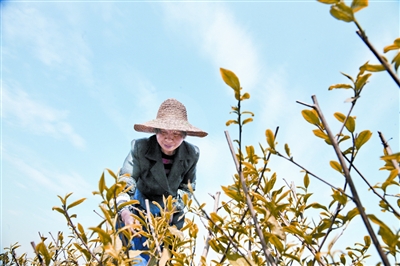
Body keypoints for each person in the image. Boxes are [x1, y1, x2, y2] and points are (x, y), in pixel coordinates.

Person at [116, 98, 207, 264]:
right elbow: (125, 182)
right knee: (135, 258)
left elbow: (187, 189)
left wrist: (173, 209)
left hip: (169, 211)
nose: (169, 139)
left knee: (162, 259)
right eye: (164, 132)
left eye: (176, 134)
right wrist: (125, 212)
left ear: (185, 135)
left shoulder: (191, 154)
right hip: (139, 205)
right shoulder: (140, 148)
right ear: (155, 131)